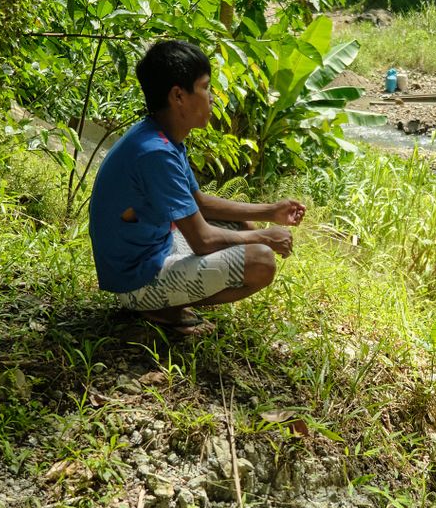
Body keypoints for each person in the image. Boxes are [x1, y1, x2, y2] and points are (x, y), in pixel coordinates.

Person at [88, 40, 305, 336]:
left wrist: (271, 211)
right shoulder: (155, 153)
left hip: (155, 248)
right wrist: (265, 237)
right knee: (261, 260)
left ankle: (171, 300)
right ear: (179, 96)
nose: (212, 97)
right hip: (136, 280)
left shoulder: (162, 138)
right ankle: (158, 306)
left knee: (241, 225)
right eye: (205, 87)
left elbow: (198, 202)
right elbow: (202, 239)